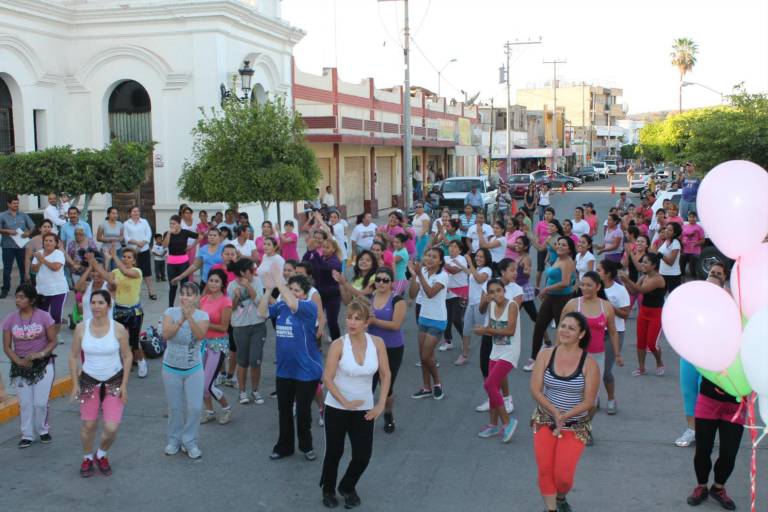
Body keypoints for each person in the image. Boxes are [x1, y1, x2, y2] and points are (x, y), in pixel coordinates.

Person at [319, 299, 391, 509]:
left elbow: (386, 374)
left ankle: (347, 486)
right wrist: (345, 402)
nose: (351, 322)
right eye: (349, 317)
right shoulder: (338, 344)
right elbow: (328, 378)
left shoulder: (377, 343)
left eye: (357, 319)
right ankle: (328, 489)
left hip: (364, 408)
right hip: (337, 407)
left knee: (363, 455)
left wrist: (380, 404)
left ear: (367, 322)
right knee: (335, 451)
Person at [530, 312, 600, 512]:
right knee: (545, 469)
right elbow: (535, 388)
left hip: (575, 425)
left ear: (581, 334)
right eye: (562, 326)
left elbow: (589, 401)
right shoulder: (545, 355)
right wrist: (554, 412)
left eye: (571, 328)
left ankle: (561, 497)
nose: (565, 331)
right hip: (545, 419)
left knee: (563, 477)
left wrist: (565, 416)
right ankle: (551, 508)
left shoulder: (589, 363)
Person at [258, 266, 323, 461]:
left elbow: (294, 304)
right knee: (284, 410)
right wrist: (269, 290)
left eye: (297, 290)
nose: (293, 293)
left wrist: (280, 282)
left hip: (307, 370)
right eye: (290, 289)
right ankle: (284, 447)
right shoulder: (281, 307)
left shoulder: (308, 308)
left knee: (303, 412)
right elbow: (262, 313)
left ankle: (306, 446)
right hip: (285, 370)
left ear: (304, 294)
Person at [69, 289, 132, 477]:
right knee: (88, 425)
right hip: (89, 381)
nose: (96, 306)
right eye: (93, 302)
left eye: (101, 303)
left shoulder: (118, 329)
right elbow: (72, 357)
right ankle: (87, 457)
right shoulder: (81, 328)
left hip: (114, 381)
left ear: (108, 305)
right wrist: (74, 383)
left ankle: (101, 454)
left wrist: (125, 384)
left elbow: (127, 357)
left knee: (111, 428)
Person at [559, 271, 622, 444]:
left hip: (597, 358)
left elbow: (614, 332)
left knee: (592, 402)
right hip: (574, 356)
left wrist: (617, 354)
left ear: (598, 286)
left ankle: (584, 426)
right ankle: (568, 427)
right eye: (582, 284)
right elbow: (561, 328)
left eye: (588, 285)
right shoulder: (573, 304)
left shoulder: (606, 306)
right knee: (572, 396)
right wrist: (558, 352)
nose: (584, 288)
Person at [675, 262, 729, 450]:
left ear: (724, 280)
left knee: (704, 394)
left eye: (719, 273)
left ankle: (705, 433)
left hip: (711, 356)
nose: (714, 274)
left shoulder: (728, 305)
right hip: (689, 353)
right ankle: (691, 430)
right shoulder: (694, 301)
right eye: (712, 272)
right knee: (688, 391)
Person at [2, 284, 58, 448]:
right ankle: (27, 434)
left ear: (31, 300)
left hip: (43, 364)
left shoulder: (44, 317)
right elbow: (6, 346)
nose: (17, 300)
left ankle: (43, 430)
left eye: (22, 297)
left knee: (40, 403)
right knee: (25, 403)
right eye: (17, 297)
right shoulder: (10, 319)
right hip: (20, 366)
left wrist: (40, 354)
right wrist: (18, 361)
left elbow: (53, 341)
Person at [161, 282, 210, 459]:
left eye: (189, 294)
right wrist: (181, 319)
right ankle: (174, 439)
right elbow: (166, 335)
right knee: (175, 408)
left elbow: (200, 336)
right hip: (171, 368)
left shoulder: (203, 315)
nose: (184, 297)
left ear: (197, 298)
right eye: (182, 294)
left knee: (195, 408)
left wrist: (190, 318)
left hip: (193, 368)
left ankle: (189, 441)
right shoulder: (170, 313)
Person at [686, 375, 744, 508]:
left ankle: (718, 488)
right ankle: (702, 487)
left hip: (736, 404)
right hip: (708, 400)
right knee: (703, 449)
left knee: (729, 453)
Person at [474, 278, 521, 442]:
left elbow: (510, 330)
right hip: (496, 350)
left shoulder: (512, 305)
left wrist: (486, 329)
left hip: (510, 351)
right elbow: (481, 311)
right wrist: (485, 302)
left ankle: (507, 422)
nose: (496, 294)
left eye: (498, 291)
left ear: (504, 291)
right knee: (493, 387)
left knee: (489, 385)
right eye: (492, 292)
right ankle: (493, 425)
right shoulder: (492, 304)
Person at [92, 247, 148, 378]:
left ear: (134, 261)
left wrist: (114, 256)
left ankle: (141, 362)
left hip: (134, 312)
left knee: (134, 341)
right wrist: (104, 261)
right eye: (124, 256)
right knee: (117, 340)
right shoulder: (116, 271)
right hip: (118, 310)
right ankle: (119, 364)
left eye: (129, 257)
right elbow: (107, 278)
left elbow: (125, 271)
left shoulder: (136, 271)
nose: (126, 259)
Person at [524, 237, 576, 372]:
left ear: (569, 249)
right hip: (550, 298)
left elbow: (565, 282)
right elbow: (552, 278)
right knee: (539, 325)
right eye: (559, 244)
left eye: (564, 245)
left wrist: (546, 289)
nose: (560, 246)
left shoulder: (568, 262)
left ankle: (564, 360)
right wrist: (546, 292)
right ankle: (534, 358)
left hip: (563, 299)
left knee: (563, 330)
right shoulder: (558, 259)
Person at [367, 267, 406, 433]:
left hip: (392, 348)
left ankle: (388, 414)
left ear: (392, 283)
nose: (381, 283)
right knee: (367, 383)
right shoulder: (370, 297)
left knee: (386, 386)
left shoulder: (398, 300)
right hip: (371, 346)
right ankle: (365, 416)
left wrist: (373, 321)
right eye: (378, 279)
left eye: (385, 280)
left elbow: (396, 325)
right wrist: (342, 283)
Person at [408, 248, 448, 400]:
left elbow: (431, 293)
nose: (430, 259)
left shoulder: (443, 276)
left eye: (434, 257)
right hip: (423, 318)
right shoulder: (422, 272)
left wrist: (418, 274)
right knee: (423, 356)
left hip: (438, 320)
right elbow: (412, 294)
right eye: (428, 256)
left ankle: (437, 383)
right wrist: (414, 276)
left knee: (426, 356)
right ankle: (426, 387)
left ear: (440, 261)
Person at [227, 258, 267, 405]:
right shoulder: (231, 286)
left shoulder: (257, 281)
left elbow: (259, 303)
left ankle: (255, 390)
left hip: (258, 325)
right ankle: (242, 392)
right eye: (251, 270)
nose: (254, 272)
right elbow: (230, 308)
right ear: (243, 272)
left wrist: (249, 287)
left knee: (255, 360)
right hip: (240, 326)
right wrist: (236, 296)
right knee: (242, 361)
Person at [620, 253, 666, 376]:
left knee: (651, 343)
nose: (642, 265)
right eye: (642, 262)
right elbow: (633, 291)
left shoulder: (658, 279)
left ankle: (659, 362)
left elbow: (642, 290)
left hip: (656, 314)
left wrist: (627, 279)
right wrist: (625, 283)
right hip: (644, 312)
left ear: (654, 265)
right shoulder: (644, 277)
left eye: (646, 262)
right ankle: (641, 368)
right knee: (640, 342)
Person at [198, 269, 233, 425]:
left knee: (207, 385)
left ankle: (227, 409)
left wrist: (205, 324)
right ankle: (210, 412)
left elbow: (224, 327)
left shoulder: (226, 302)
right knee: (201, 382)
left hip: (217, 346)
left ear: (222, 284)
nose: (213, 283)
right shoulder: (203, 299)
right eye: (211, 280)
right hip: (203, 345)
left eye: (216, 281)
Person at [596, 260, 631, 416]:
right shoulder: (595, 288)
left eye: (599, 270)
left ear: (608, 273)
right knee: (592, 369)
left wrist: (609, 306)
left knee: (606, 371)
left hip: (614, 332)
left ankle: (611, 399)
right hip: (595, 333)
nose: (597, 273)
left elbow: (625, 314)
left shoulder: (620, 290)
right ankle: (594, 398)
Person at [28, 233, 68, 342]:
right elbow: (34, 270)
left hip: (58, 290)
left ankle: (55, 336)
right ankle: (44, 335)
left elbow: (55, 267)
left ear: (55, 243)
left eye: (51, 241)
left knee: (56, 313)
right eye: (46, 241)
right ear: (43, 242)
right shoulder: (39, 253)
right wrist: (40, 260)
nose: (48, 243)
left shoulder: (58, 253)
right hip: (42, 290)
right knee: (42, 314)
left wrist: (42, 259)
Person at [457, 248, 492, 366]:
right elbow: (471, 273)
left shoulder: (487, 270)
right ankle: (464, 355)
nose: (478, 258)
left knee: (483, 331)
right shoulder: (477, 268)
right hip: (471, 303)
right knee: (466, 329)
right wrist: (459, 264)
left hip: (480, 304)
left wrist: (470, 262)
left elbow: (479, 279)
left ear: (486, 258)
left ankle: (491, 355)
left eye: (481, 256)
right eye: (477, 256)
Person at [303, 237, 343, 340]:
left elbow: (324, 267)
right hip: (320, 295)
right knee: (315, 319)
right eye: (323, 247)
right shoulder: (321, 257)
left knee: (332, 321)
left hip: (332, 296)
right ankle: (316, 342)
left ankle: (337, 343)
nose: (324, 249)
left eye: (327, 247)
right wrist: (309, 250)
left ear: (333, 249)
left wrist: (315, 252)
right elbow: (305, 262)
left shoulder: (335, 261)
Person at [0, 196, 35, 298]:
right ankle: (5, 289)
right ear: (9, 204)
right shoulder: (2, 215)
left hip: (22, 246)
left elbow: (32, 226)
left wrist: (28, 232)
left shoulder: (23, 215)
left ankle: (23, 289)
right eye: (14, 203)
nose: (16, 205)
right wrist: (7, 231)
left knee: (23, 268)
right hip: (8, 246)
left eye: (17, 203)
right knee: (7, 269)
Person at [162, 215, 200, 308]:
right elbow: (164, 245)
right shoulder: (167, 233)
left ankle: (185, 305)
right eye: (170, 223)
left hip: (183, 262)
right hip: (171, 262)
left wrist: (192, 246)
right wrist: (169, 233)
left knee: (184, 286)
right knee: (172, 286)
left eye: (174, 223)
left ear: (179, 224)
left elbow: (200, 236)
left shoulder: (185, 232)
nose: (172, 225)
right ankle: (170, 307)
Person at [123, 206, 157, 300]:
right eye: (134, 211)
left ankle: (151, 292)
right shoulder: (126, 224)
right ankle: (132, 292)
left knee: (147, 272)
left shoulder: (144, 221)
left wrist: (142, 244)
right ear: (130, 213)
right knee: (131, 272)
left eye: (137, 211)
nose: (136, 213)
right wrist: (137, 243)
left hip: (144, 250)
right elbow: (126, 237)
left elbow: (149, 234)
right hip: (131, 252)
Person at [440, 240, 468, 352]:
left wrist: (441, 262)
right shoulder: (445, 258)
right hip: (446, 292)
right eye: (451, 246)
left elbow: (454, 271)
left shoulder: (461, 260)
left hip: (460, 292)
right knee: (446, 319)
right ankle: (448, 341)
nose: (452, 248)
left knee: (456, 319)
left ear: (460, 250)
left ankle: (464, 339)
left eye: (455, 247)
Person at [533, 207, 555, 289]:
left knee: (551, 269)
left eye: (549, 214)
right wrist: (537, 240)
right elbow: (536, 235)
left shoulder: (555, 224)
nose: (547, 216)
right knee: (540, 269)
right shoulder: (540, 223)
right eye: (546, 214)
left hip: (552, 250)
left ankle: (549, 287)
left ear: (553, 215)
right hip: (542, 249)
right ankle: (537, 287)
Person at [657, 222, 682, 293]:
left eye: (670, 230)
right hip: (662, 273)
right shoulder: (666, 241)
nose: (666, 231)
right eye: (666, 228)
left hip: (673, 276)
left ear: (674, 233)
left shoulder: (675, 243)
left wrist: (659, 255)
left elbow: (671, 262)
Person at [680, 211, 705, 279]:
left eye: (693, 217)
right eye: (690, 217)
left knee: (692, 269)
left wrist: (696, 243)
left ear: (696, 218)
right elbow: (680, 237)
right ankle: (682, 281)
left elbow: (703, 240)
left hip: (695, 251)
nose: (691, 219)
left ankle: (694, 281)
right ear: (688, 218)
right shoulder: (683, 227)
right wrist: (682, 241)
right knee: (681, 268)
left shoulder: (699, 228)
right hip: (684, 250)